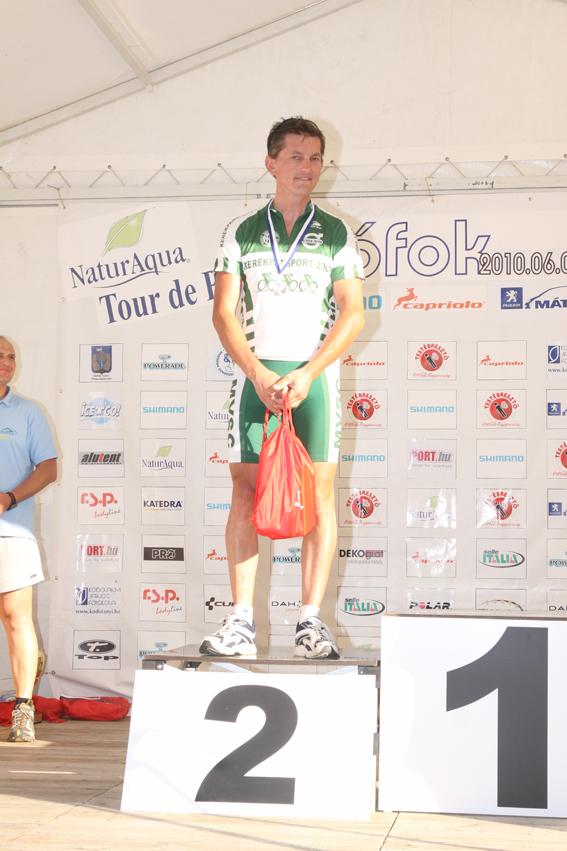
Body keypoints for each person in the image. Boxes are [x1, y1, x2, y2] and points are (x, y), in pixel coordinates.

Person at [200, 117, 365, 659]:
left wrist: (309, 372)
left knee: (320, 496)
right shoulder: (240, 231)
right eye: (296, 156)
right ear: (270, 163)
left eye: (315, 158)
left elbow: (353, 313)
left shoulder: (337, 232)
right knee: (246, 492)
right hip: (256, 377)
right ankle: (241, 622)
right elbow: (224, 313)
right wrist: (258, 373)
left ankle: (310, 623)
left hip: (314, 379)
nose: (307, 168)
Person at [0, 336, 57, 742]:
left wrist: (9, 497)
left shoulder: (28, 412)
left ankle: (23, 708)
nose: (7, 362)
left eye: (11, 356)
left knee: (15, 616)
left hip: (12, 529)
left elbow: (48, 469)